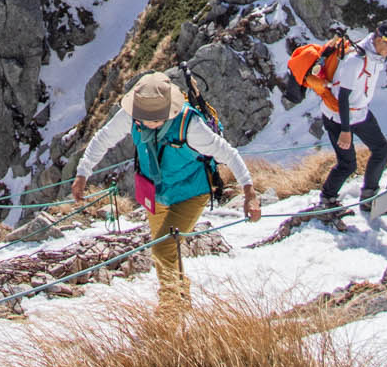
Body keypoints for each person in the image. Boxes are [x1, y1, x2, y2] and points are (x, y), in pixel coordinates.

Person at [70, 71, 261, 312]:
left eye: (154, 118)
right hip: (156, 191)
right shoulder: (132, 115)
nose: (146, 121)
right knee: (164, 248)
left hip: (191, 192)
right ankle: (177, 301)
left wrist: (250, 193)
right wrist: (82, 173)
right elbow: (103, 139)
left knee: (162, 247)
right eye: (144, 117)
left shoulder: (190, 126)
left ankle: (171, 310)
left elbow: (228, 153)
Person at [316, 18, 387, 214]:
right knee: (348, 164)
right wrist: (345, 132)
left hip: (360, 112)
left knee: (382, 150)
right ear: (381, 40)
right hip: (339, 117)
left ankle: (369, 197)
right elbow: (343, 97)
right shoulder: (355, 60)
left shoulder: (376, 56)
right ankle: (326, 201)